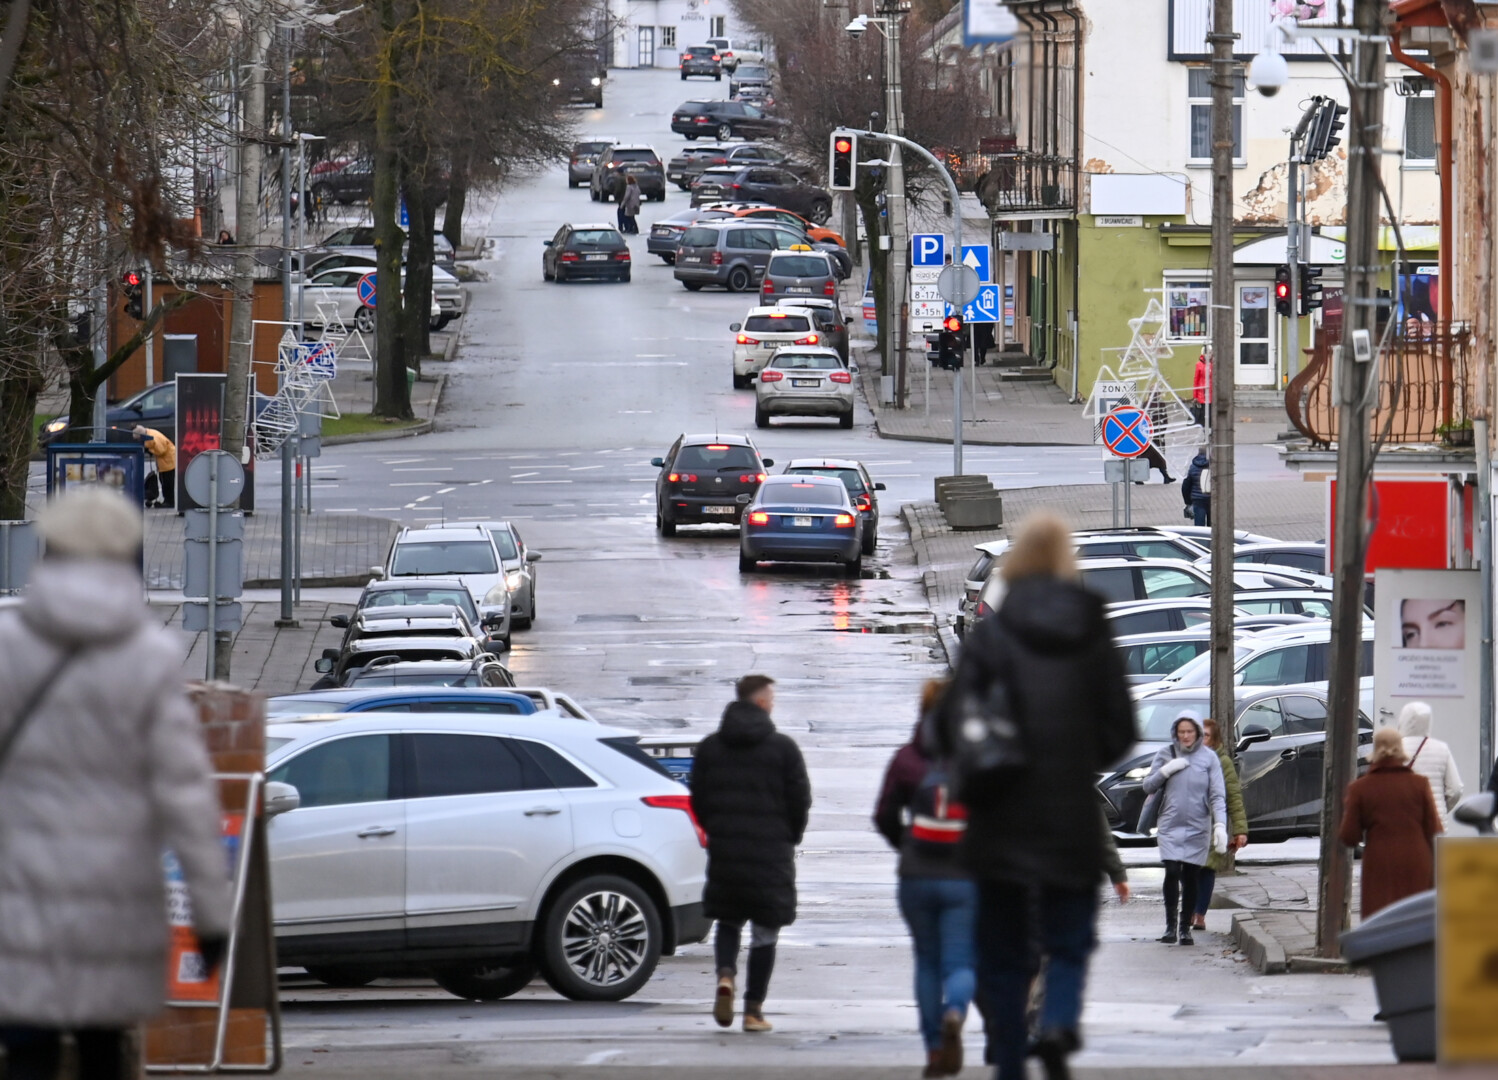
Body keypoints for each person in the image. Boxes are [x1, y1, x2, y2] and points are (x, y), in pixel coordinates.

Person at [0, 489, 231, 1080]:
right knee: (104, 1050)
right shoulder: (149, 657)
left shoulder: (7, 647)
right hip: (116, 896)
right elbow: (185, 795)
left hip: (19, 887)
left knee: (27, 1050)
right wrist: (211, 916)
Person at [934, 511, 1136, 1080]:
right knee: (1068, 939)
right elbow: (1120, 731)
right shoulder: (1093, 630)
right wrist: (1074, 756)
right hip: (1069, 819)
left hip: (998, 823)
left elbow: (948, 725)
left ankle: (1009, 1057)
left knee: (1004, 952)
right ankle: (1057, 1023)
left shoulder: (993, 634)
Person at [691, 674, 812, 1034]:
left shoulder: (711, 748)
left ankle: (726, 976)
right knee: (765, 933)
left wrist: (717, 830)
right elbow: (800, 800)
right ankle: (753, 1011)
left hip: (726, 852)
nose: (773, 702)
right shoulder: (783, 749)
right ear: (761, 702)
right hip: (770, 855)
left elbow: (698, 798)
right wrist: (790, 836)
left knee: (728, 921)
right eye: (771, 697)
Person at [874, 678, 976, 1078]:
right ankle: (955, 1012)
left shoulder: (907, 758)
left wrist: (906, 844)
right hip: (965, 875)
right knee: (961, 960)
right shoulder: (977, 757)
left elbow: (883, 815)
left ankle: (934, 1049)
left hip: (917, 874)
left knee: (927, 961)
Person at [1141, 709, 1226, 946]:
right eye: (1181, 732)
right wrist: (1165, 770)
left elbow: (1217, 795)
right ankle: (1170, 926)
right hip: (1170, 824)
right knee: (1171, 871)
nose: (1186, 736)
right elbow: (1148, 786)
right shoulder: (1165, 753)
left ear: (1198, 732)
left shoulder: (1209, 758)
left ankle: (1185, 928)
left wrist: (1220, 825)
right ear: (1175, 733)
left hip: (1198, 826)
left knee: (1190, 876)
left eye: (1190, 731)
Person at [1338, 727, 1443, 917]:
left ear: (1375, 751)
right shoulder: (1420, 784)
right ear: (1401, 749)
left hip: (1379, 863)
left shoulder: (1359, 788)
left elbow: (1349, 836)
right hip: (1417, 861)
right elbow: (1435, 828)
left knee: (1380, 918)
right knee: (1414, 918)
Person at [1191, 717, 1248, 931]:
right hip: (1188, 824)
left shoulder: (1222, 762)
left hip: (1214, 825)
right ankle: (1189, 909)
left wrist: (1240, 830)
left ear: (1214, 740)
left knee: (1206, 868)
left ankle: (1199, 914)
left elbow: (1234, 797)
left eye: (1205, 736)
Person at [1396, 701, 1464, 830]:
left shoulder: (1393, 749)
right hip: (1434, 824)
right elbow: (1455, 789)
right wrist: (1441, 809)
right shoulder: (1441, 749)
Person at [133, 424, 176, 508]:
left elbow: (161, 450)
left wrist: (149, 450)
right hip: (165, 462)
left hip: (169, 461)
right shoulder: (149, 433)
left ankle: (169, 502)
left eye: (139, 439)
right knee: (164, 481)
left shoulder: (154, 437)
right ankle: (167, 500)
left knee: (167, 482)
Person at [1181, 447, 1210, 526]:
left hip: (1198, 500)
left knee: (1199, 526)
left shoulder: (1193, 467)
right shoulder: (1215, 466)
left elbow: (1185, 486)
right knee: (1213, 526)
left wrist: (1188, 502)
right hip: (1212, 499)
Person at [1192, 348, 1211, 428]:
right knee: (1203, 415)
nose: (1209, 355)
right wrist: (1195, 396)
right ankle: (1204, 430)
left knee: (1210, 415)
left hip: (1211, 393)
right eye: (1208, 353)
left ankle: (1210, 430)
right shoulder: (1199, 364)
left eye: (1210, 353)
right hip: (1202, 393)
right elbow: (1196, 380)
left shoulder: (1213, 364)